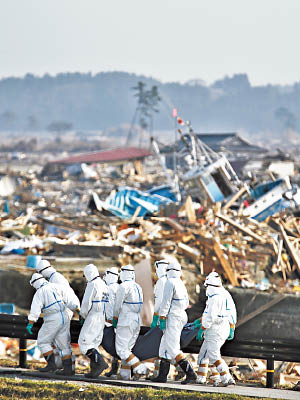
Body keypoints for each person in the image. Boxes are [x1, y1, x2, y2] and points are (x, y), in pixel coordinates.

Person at [152, 262, 197, 384]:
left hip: (173, 316)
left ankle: (191, 374)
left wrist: (161, 317)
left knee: (172, 348)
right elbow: (187, 301)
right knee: (164, 346)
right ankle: (162, 376)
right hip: (180, 314)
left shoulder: (169, 282)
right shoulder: (180, 282)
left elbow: (166, 302)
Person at [26, 272, 80, 375]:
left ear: (35, 283)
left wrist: (31, 322)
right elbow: (69, 299)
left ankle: (52, 365)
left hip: (52, 318)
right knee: (64, 344)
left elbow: (35, 310)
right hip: (64, 315)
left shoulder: (40, 292)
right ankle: (68, 369)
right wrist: (77, 310)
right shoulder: (56, 286)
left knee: (43, 341)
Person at [194, 271, 236, 387]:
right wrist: (232, 327)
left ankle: (226, 377)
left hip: (215, 329)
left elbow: (211, 315)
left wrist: (202, 327)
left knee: (213, 354)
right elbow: (232, 312)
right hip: (224, 326)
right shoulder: (225, 294)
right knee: (204, 354)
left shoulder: (214, 298)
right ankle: (202, 377)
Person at [113, 264, 148, 380]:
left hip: (126, 320)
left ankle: (140, 368)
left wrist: (115, 318)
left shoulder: (123, 286)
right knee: (128, 349)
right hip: (136, 320)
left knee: (121, 349)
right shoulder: (138, 286)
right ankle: (125, 375)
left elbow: (117, 305)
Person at [78, 264, 109, 378]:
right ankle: (94, 371)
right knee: (94, 343)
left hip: (93, 316)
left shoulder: (92, 284)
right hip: (102, 317)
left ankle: (101, 363)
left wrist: (82, 315)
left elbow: (86, 303)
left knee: (84, 343)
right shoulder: (103, 284)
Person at [103, 266, 120, 377]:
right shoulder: (118, 287)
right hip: (114, 320)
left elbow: (112, 306)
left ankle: (115, 369)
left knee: (115, 346)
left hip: (112, 321)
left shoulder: (111, 288)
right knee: (117, 346)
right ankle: (114, 369)